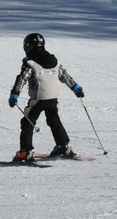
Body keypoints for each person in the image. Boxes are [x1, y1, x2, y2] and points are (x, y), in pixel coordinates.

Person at [7, 32, 85, 163]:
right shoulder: (55, 61)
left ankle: (25, 152)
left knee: (27, 122)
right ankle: (63, 146)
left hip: (38, 97)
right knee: (54, 120)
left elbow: (22, 78)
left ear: (27, 47)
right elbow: (65, 76)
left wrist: (14, 95)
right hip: (53, 97)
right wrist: (76, 88)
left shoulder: (30, 62)